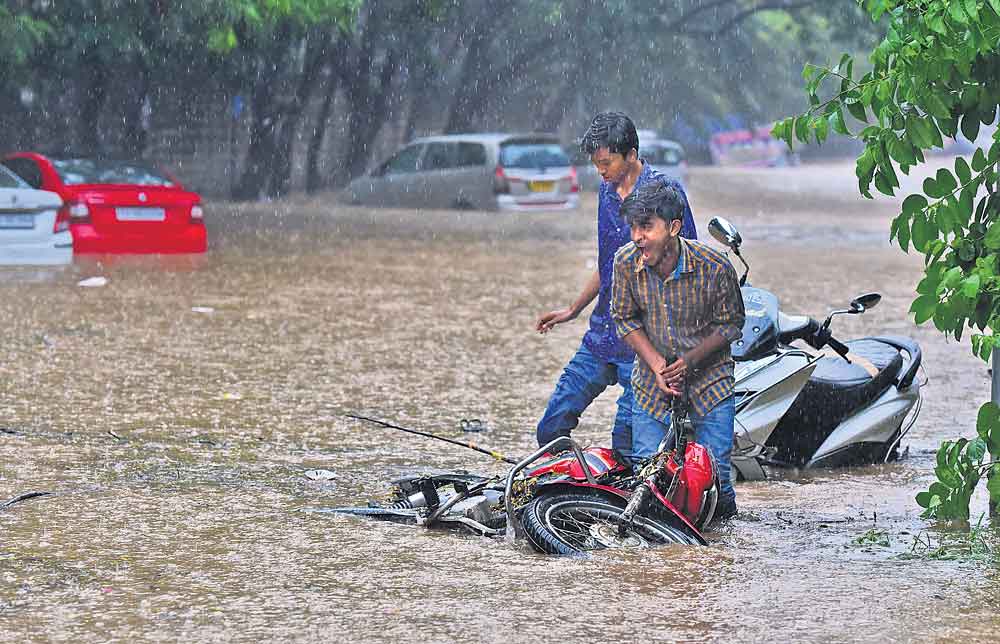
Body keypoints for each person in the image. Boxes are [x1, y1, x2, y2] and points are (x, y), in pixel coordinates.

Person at [535, 112, 696, 458]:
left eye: (606, 163)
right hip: (602, 334)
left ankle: (619, 507)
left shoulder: (666, 194)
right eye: (596, 164)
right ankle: (567, 497)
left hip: (644, 346)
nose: (601, 171)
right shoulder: (607, 195)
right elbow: (607, 263)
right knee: (550, 430)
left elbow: (688, 268)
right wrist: (573, 309)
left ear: (632, 155)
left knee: (628, 447)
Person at [610, 180, 745, 519]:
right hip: (651, 383)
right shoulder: (625, 262)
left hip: (710, 382)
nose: (637, 237)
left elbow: (731, 325)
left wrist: (689, 362)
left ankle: (723, 551)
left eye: (646, 227)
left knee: (715, 480)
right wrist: (657, 365)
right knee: (648, 477)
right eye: (633, 228)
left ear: (673, 227)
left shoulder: (715, 266)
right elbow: (623, 318)